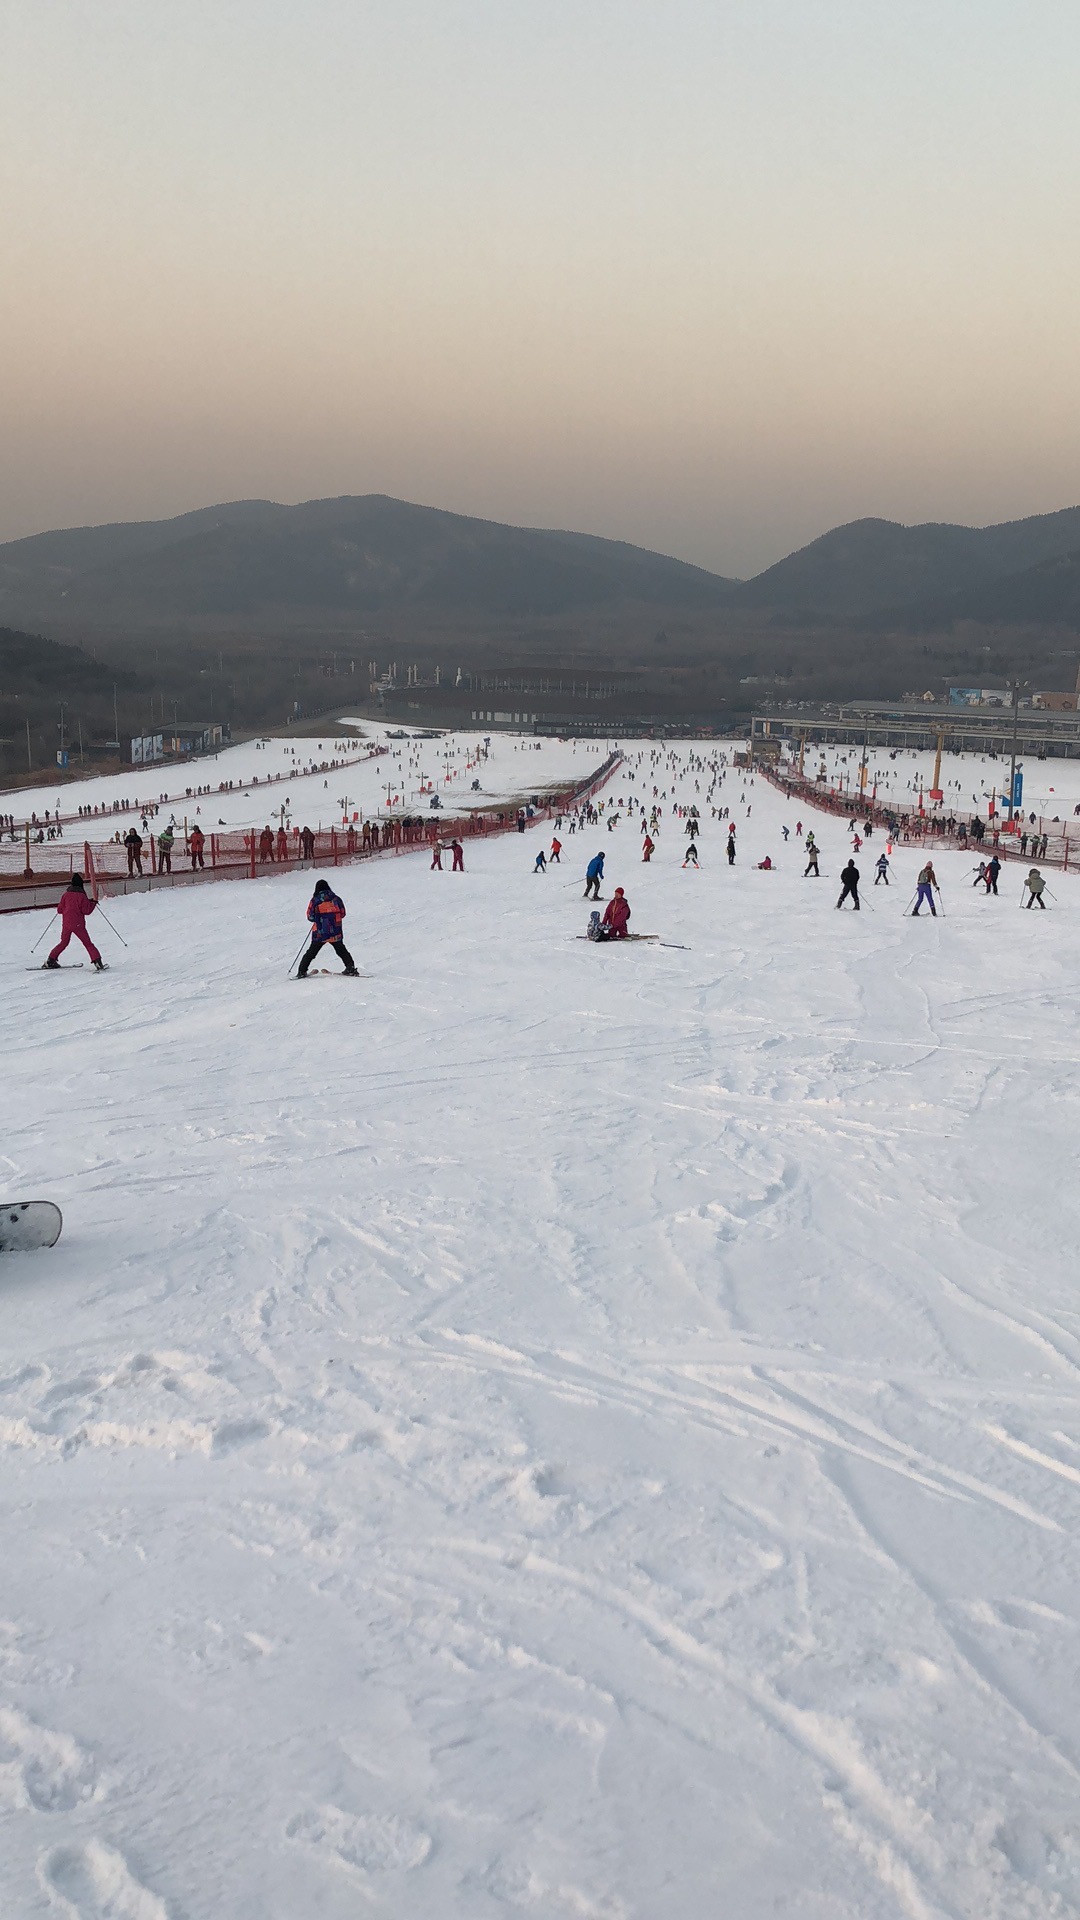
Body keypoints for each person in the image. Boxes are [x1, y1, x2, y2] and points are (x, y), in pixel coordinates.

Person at [297, 879, 358, 975]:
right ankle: (350, 968)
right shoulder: (336, 899)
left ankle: (302, 970)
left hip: (320, 932)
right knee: (341, 950)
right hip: (335, 931)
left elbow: (310, 916)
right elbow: (343, 913)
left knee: (311, 953)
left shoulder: (315, 900)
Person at [44, 874, 105, 970]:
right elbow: (86, 911)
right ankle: (97, 961)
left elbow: (60, 910)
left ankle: (50, 960)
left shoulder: (65, 895)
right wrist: (92, 904)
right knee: (87, 943)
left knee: (63, 942)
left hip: (66, 924)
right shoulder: (82, 895)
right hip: (78, 925)